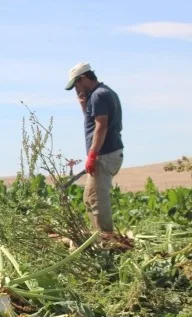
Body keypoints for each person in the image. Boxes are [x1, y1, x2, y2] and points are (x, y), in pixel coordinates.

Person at [65, 62, 124, 235]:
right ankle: (101, 235)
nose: (75, 89)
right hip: (107, 152)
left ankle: (106, 238)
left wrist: (92, 154)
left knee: (97, 199)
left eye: (76, 84)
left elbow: (101, 126)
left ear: (82, 78)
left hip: (105, 153)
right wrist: (84, 105)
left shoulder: (99, 95)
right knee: (90, 197)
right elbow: (92, 122)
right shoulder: (104, 93)